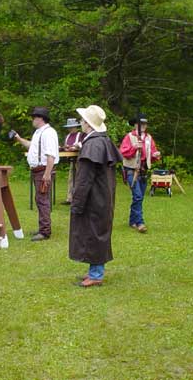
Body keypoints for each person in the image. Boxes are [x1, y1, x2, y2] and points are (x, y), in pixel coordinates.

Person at [69, 105, 122, 287]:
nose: (81, 123)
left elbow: (84, 179)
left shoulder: (94, 144)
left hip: (95, 198)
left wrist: (77, 202)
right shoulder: (101, 141)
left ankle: (96, 275)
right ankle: (94, 271)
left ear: (88, 124)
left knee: (94, 233)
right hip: (102, 196)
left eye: (83, 120)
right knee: (95, 232)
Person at [12, 107, 59, 241]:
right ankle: (43, 228)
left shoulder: (48, 133)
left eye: (34, 117)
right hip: (39, 170)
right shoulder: (39, 132)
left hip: (43, 170)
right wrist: (18, 138)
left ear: (40, 118)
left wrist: (47, 174)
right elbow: (32, 146)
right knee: (40, 199)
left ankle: (45, 231)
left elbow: (51, 155)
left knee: (42, 200)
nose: (32, 119)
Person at [119, 112, 161, 233]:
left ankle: (132, 220)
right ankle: (140, 223)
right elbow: (123, 153)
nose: (143, 125)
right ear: (135, 124)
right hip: (132, 171)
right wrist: (134, 148)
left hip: (143, 170)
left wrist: (155, 155)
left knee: (139, 197)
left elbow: (152, 153)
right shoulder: (129, 137)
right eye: (140, 123)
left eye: (144, 123)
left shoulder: (149, 138)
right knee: (137, 196)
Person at [60, 118, 84, 205]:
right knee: (71, 179)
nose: (70, 129)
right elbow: (65, 146)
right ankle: (69, 198)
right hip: (71, 159)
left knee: (79, 179)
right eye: (69, 127)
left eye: (72, 127)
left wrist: (75, 147)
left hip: (79, 160)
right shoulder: (68, 136)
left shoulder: (80, 135)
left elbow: (83, 145)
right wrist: (65, 147)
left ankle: (78, 198)